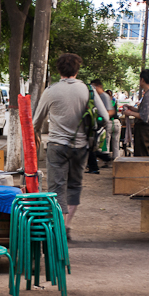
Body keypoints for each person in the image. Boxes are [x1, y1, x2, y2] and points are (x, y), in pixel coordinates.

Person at [32, 53, 109, 238]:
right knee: (74, 186)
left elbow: (35, 122)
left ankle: (57, 226)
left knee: (56, 187)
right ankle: (66, 226)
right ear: (77, 70)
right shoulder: (88, 90)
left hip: (57, 146)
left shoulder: (51, 91)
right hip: (81, 147)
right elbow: (105, 118)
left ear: (59, 70)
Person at [122, 69, 149, 157]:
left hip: (144, 130)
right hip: (147, 130)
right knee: (142, 154)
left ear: (142, 80)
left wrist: (129, 113)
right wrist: (132, 108)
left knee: (141, 157)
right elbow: (142, 111)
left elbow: (144, 116)